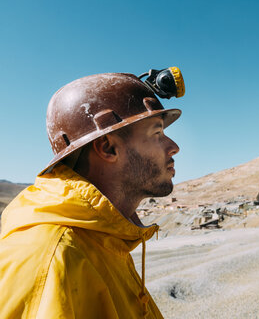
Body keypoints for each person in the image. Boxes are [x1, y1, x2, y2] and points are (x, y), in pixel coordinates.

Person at [0, 68, 185, 318]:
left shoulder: (103, 238)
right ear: (108, 147)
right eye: (157, 133)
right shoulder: (54, 258)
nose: (174, 147)